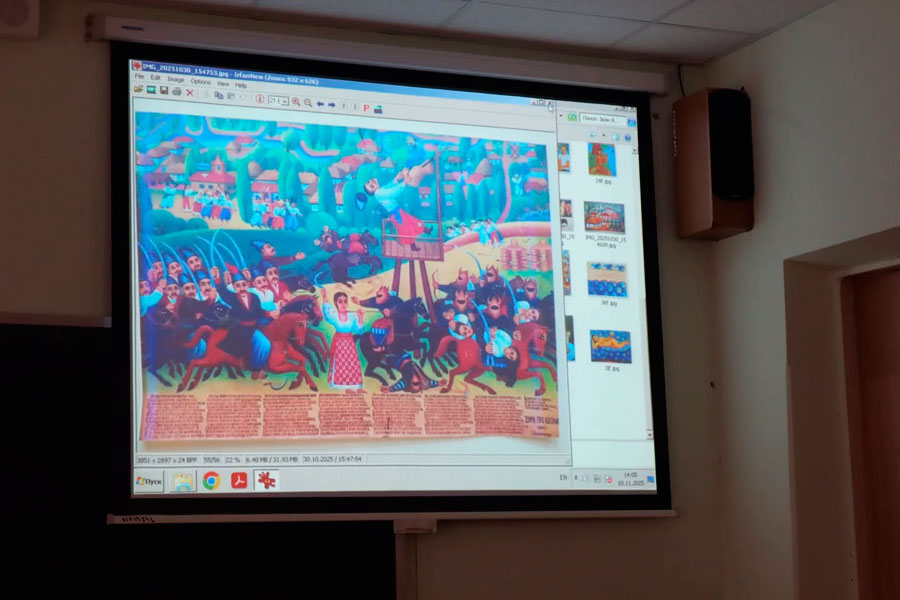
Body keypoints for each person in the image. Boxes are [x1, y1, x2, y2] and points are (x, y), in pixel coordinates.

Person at [357, 162, 433, 251]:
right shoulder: (379, 193)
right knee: (406, 228)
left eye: (369, 182)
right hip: (396, 214)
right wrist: (404, 182)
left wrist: (396, 179)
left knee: (411, 221)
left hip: (398, 211)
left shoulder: (380, 190)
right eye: (371, 186)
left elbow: (388, 186)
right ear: (373, 191)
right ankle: (413, 244)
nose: (371, 182)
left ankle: (425, 230)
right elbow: (392, 192)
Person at [321, 288, 364, 390]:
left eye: (345, 301)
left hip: (349, 343)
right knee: (339, 363)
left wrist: (360, 317)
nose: (343, 304)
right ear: (336, 303)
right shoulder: (334, 315)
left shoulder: (352, 316)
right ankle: (338, 383)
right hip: (338, 342)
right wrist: (324, 297)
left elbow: (359, 331)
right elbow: (327, 313)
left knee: (351, 363)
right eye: (340, 302)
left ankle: (353, 384)